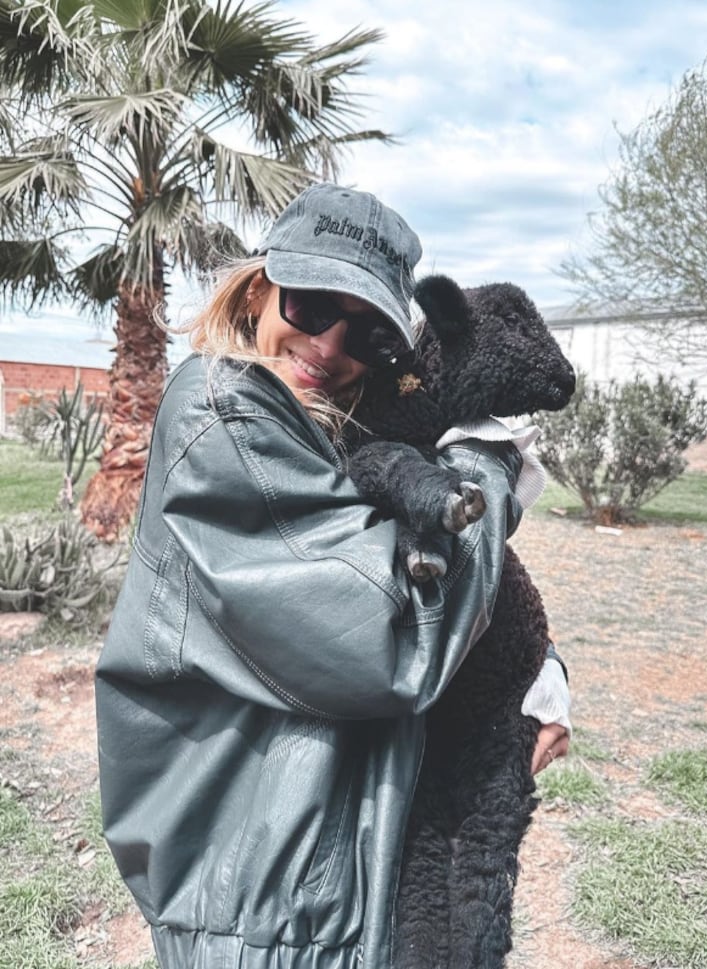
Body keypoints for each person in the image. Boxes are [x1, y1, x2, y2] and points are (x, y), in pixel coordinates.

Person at [95, 182, 570, 969]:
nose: (330, 346)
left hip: (324, 885)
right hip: (268, 911)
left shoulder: (318, 428)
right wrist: (484, 467)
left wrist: (530, 676)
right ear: (258, 290)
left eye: (370, 335)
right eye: (313, 306)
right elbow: (386, 640)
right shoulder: (225, 412)